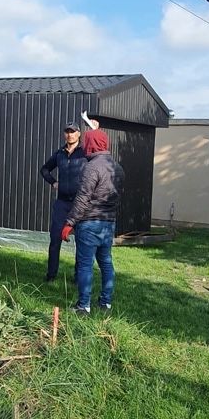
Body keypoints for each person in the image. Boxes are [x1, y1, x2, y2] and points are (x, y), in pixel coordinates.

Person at [60, 128, 124, 314]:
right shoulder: (117, 168)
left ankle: (83, 306)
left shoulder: (91, 167)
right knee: (106, 262)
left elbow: (83, 198)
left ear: (91, 144)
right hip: (108, 222)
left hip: (89, 224)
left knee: (85, 264)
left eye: (87, 142)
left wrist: (69, 223)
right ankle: (105, 303)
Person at [40, 121, 87, 282]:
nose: (70, 134)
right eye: (67, 131)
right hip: (61, 203)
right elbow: (44, 169)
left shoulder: (84, 152)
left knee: (81, 240)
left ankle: (78, 276)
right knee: (55, 238)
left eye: (73, 131)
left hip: (79, 203)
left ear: (79, 134)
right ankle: (51, 275)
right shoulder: (60, 153)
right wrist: (53, 182)